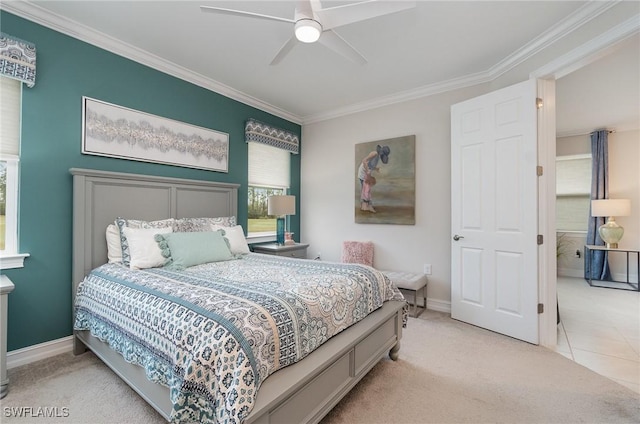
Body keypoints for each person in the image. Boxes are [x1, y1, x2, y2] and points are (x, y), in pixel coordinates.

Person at [357, 145, 390, 212]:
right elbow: (364, 160)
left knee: (366, 189)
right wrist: (367, 171)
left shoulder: (378, 157)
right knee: (365, 189)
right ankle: (365, 206)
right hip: (363, 172)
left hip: (367, 173)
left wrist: (375, 169)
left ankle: (365, 206)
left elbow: (370, 165)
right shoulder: (374, 153)